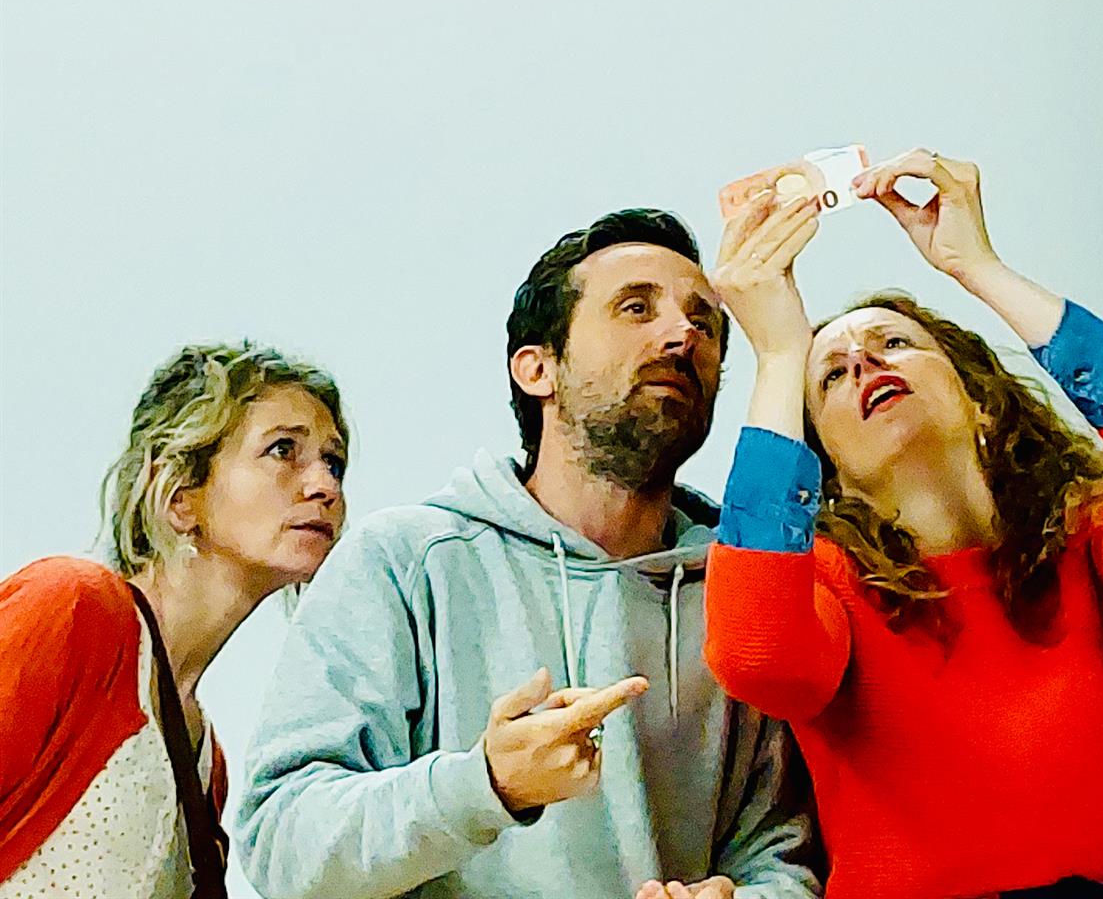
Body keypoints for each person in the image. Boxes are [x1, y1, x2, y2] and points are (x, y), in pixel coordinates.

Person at [703, 150, 1103, 898]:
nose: (863, 360)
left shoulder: (1090, 547)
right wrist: (777, 354)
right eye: (830, 374)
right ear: (825, 466)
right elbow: (754, 654)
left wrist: (981, 269)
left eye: (895, 343)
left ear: (981, 400)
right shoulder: (830, 586)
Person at [237, 208, 820, 899]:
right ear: (537, 368)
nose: (682, 334)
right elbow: (282, 840)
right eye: (636, 308)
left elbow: (783, 857)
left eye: (705, 321)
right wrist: (486, 783)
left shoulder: (740, 589)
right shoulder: (407, 560)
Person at [0, 342, 350, 899]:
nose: (325, 487)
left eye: (334, 462)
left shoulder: (206, 760)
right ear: (180, 495)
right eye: (283, 450)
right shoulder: (71, 609)